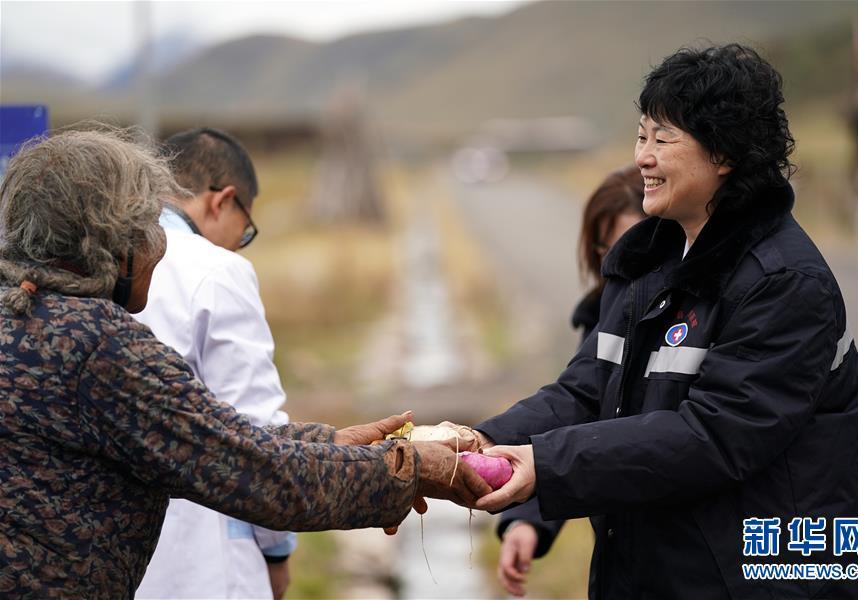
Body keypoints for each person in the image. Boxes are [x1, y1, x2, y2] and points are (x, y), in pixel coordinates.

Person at [0, 128, 492, 597]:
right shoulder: (100, 347)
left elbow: (216, 436)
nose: (161, 243)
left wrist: (331, 442)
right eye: (147, 224)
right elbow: (259, 475)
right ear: (108, 239)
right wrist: (408, 471)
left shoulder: (25, 316)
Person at [466, 44, 858, 598]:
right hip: (655, 569)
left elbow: (713, 436)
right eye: (640, 136)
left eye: (663, 139)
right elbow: (587, 390)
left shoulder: (786, 283)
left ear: (724, 153)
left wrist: (548, 465)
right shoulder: (649, 262)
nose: (642, 159)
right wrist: (479, 437)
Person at [133, 128, 293, 599]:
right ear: (222, 201)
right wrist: (277, 549)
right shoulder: (217, 271)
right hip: (205, 560)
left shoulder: (102, 257)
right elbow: (258, 436)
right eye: (246, 232)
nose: (239, 245)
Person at [495, 165, 645, 596]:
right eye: (605, 248)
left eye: (636, 245)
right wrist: (526, 521)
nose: (617, 262)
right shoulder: (601, 320)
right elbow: (577, 420)